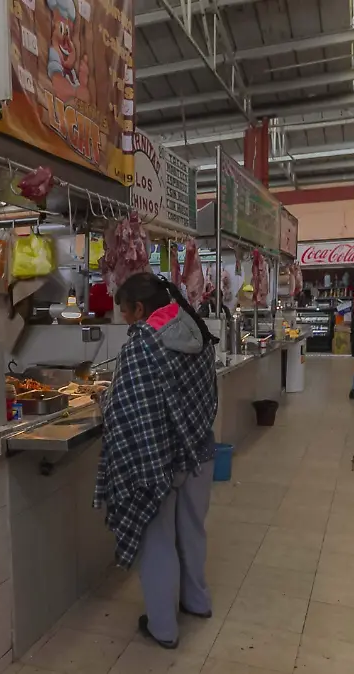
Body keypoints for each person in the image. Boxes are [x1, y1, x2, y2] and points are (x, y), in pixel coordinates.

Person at [93, 273, 220, 650]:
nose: (124, 319)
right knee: (193, 532)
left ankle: (163, 626)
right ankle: (196, 601)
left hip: (157, 460)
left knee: (159, 542)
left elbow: (125, 408)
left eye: (125, 312)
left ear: (140, 309)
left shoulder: (142, 346)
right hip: (198, 450)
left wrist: (104, 401)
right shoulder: (193, 329)